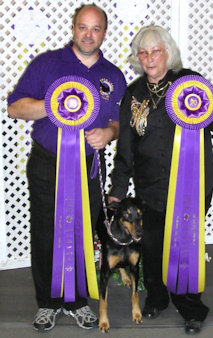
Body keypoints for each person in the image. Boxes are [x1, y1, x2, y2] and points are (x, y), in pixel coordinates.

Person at [7, 3, 126, 332]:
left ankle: (76, 302)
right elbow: (15, 107)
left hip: (88, 167)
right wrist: (53, 104)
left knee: (83, 234)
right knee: (45, 233)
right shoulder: (46, 64)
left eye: (96, 28)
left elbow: (119, 122)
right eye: (83, 27)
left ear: (104, 32)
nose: (89, 34)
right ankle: (47, 302)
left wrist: (109, 132)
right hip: (48, 163)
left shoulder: (112, 75)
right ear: (73, 28)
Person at [108, 25, 213, 334]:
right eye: (143, 52)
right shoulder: (133, 95)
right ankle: (157, 297)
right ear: (138, 57)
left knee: (185, 247)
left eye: (156, 51)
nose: (149, 58)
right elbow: (125, 148)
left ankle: (191, 307)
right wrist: (117, 191)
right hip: (149, 189)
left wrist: (209, 106)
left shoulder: (191, 83)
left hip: (192, 186)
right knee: (151, 246)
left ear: (168, 52)